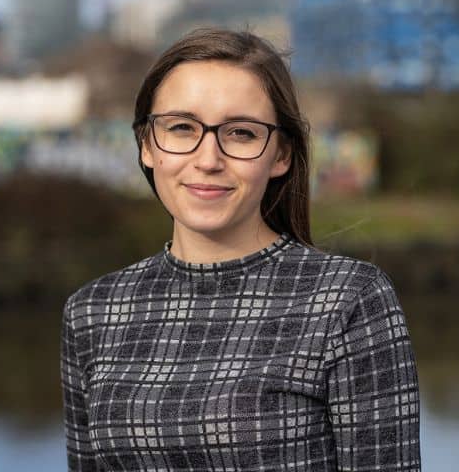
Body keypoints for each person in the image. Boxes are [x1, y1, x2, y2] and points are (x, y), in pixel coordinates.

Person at [60, 27, 421, 471]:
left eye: (241, 134)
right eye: (181, 127)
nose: (208, 158)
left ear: (281, 154)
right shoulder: (91, 312)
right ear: (147, 145)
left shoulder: (349, 300)